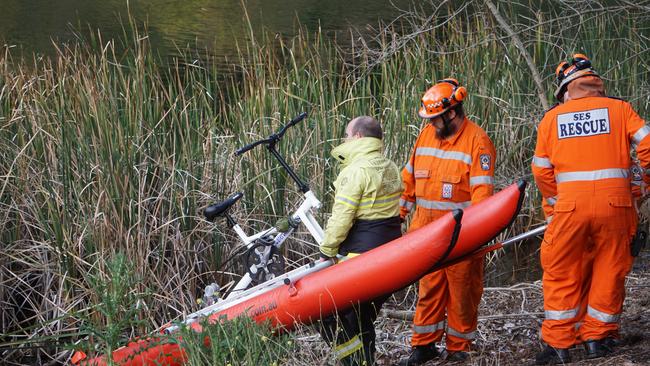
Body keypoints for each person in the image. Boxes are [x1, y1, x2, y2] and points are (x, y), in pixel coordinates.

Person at [531, 53, 650, 364]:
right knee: (610, 270)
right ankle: (596, 339)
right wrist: (645, 184)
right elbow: (648, 145)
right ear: (595, 84)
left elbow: (541, 170)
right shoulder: (620, 109)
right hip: (617, 204)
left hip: (570, 205)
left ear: (566, 89)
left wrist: (557, 203)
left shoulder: (552, 119)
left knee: (560, 270)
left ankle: (559, 346)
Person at [398, 79, 496, 365]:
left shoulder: (478, 142)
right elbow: (409, 182)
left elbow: (482, 197)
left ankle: (459, 349)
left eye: (435, 118)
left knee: (462, 294)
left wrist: (475, 236)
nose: (431, 124)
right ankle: (423, 346)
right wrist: (398, 218)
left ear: (452, 113)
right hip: (425, 235)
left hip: (462, 237)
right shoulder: (426, 136)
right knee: (428, 290)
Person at [318, 116, 403, 366]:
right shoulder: (390, 166)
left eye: (347, 135)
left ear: (357, 138)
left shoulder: (355, 171)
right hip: (391, 255)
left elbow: (342, 218)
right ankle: (367, 361)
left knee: (329, 313)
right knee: (363, 316)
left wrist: (326, 251)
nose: (344, 140)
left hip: (363, 258)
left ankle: (355, 363)